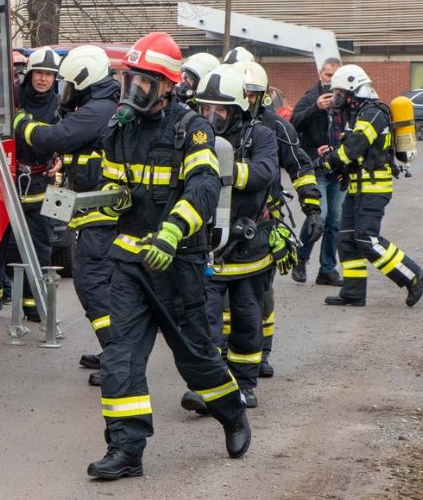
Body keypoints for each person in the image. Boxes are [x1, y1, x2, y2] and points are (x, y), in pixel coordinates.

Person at [88, 32, 250, 481]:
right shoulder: (120, 131)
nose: (133, 89)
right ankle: (126, 451)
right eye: (129, 80)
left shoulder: (192, 128)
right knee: (119, 358)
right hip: (130, 263)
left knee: (197, 359)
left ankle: (233, 413)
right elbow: (114, 189)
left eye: (143, 82)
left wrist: (171, 233)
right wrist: (101, 205)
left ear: (167, 86)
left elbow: (202, 188)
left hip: (178, 264)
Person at [12, 45, 119, 386]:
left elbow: (52, 136)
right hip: (92, 208)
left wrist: (19, 122)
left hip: (101, 212)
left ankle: (118, 356)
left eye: (69, 84)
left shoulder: (96, 110)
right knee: (102, 284)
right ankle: (115, 351)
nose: (64, 90)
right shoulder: (96, 107)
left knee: (91, 282)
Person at [179, 65, 280, 413]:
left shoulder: (260, 136)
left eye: (218, 109)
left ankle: (245, 384)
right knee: (204, 320)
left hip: (247, 244)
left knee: (247, 317)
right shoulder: (193, 135)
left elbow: (266, 172)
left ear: (237, 109)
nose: (210, 115)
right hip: (205, 243)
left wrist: (226, 169)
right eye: (205, 108)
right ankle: (211, 386)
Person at [242, 60, 323, 378]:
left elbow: (300, 168)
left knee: (261, 291)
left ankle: (261, 352)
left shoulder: (276, 128)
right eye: (244, 93)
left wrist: (313, 208)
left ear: (263, 95)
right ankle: (223, 354)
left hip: (266, 220)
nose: (248, 100)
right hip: (221, 220)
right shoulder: (218, 122)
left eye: (253, 94)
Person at [317, 64, 423, 308]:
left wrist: (326, 162)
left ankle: (413, 275)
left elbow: (352, 149)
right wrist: (333, 154)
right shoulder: (359, 114)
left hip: (374, 188)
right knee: (347, 239)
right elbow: (350, 149)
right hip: (358, 187)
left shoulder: (373, 113)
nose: (337, 99)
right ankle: (353, 293)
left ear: (355, 91)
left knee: (366, 238)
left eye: (341, 94)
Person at [0, 46, 61, 320]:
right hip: (5, 176)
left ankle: (34, 306)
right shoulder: (12, 96)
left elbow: (69, 138)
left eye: (49, 74)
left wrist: (62, 160)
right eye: (39, 73)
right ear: (29, 74)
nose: (43, 79)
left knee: (40, 245)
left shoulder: (60, 105)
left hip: (40, 181)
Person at [291, 58, 345, 286]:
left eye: (335, 76)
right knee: (319, 216)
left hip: (339, 167)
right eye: (328, 75)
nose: (331, 80)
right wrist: (316, 108)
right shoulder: (310, 97)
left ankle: (327, 269)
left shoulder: (347, 99)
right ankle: (300, 259)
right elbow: (293, 124)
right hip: (316, 166)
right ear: (320, 74)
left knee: (336, 220)